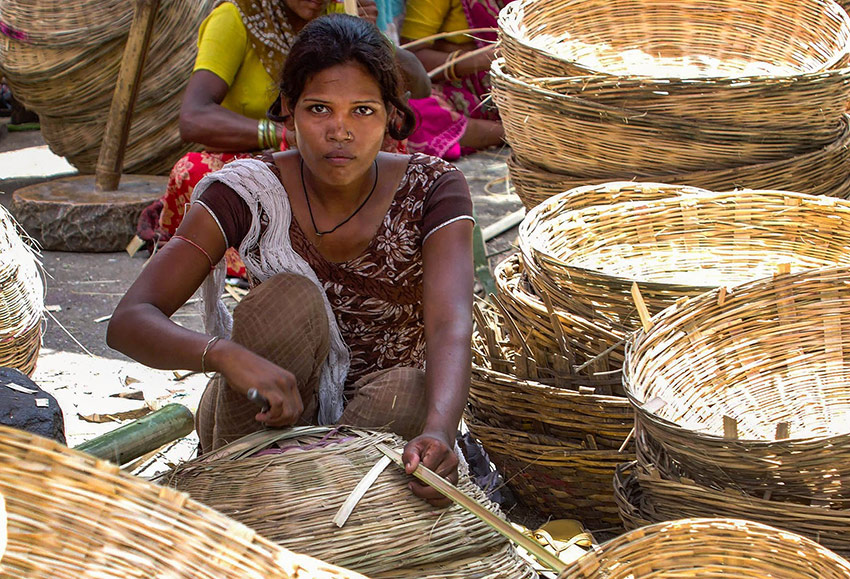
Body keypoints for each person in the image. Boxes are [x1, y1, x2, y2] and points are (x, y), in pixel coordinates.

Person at [108, 14, 474, 506]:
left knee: (412, 390)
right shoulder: (250, 190)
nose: (340, 130)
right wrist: (223, 353)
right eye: (319, 108)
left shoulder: (431, 187)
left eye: (363, 110)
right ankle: (244, 486)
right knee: (287, 299)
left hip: (373, 415)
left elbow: (450, 321)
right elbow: (130, 320)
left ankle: (305, 504)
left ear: (391, 115)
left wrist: (440, 430)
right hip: (263, 415)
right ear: (288, 112)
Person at [137, 0, 430, 278]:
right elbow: (193, 119)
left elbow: (421, 85)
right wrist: (284, 133)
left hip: (332, 163)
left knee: (391, 146)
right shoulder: (235, 18)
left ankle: (357, 245)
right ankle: (291, 252)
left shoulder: (344, 15)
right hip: (260, 161)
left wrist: (372, 35)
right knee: (194, 172)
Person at [400, 0, 511, 160]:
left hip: (523, 79)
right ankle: (514, 132)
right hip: (465, 92)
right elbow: (410, 58)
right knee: (411, 109)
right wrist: (481, 58)